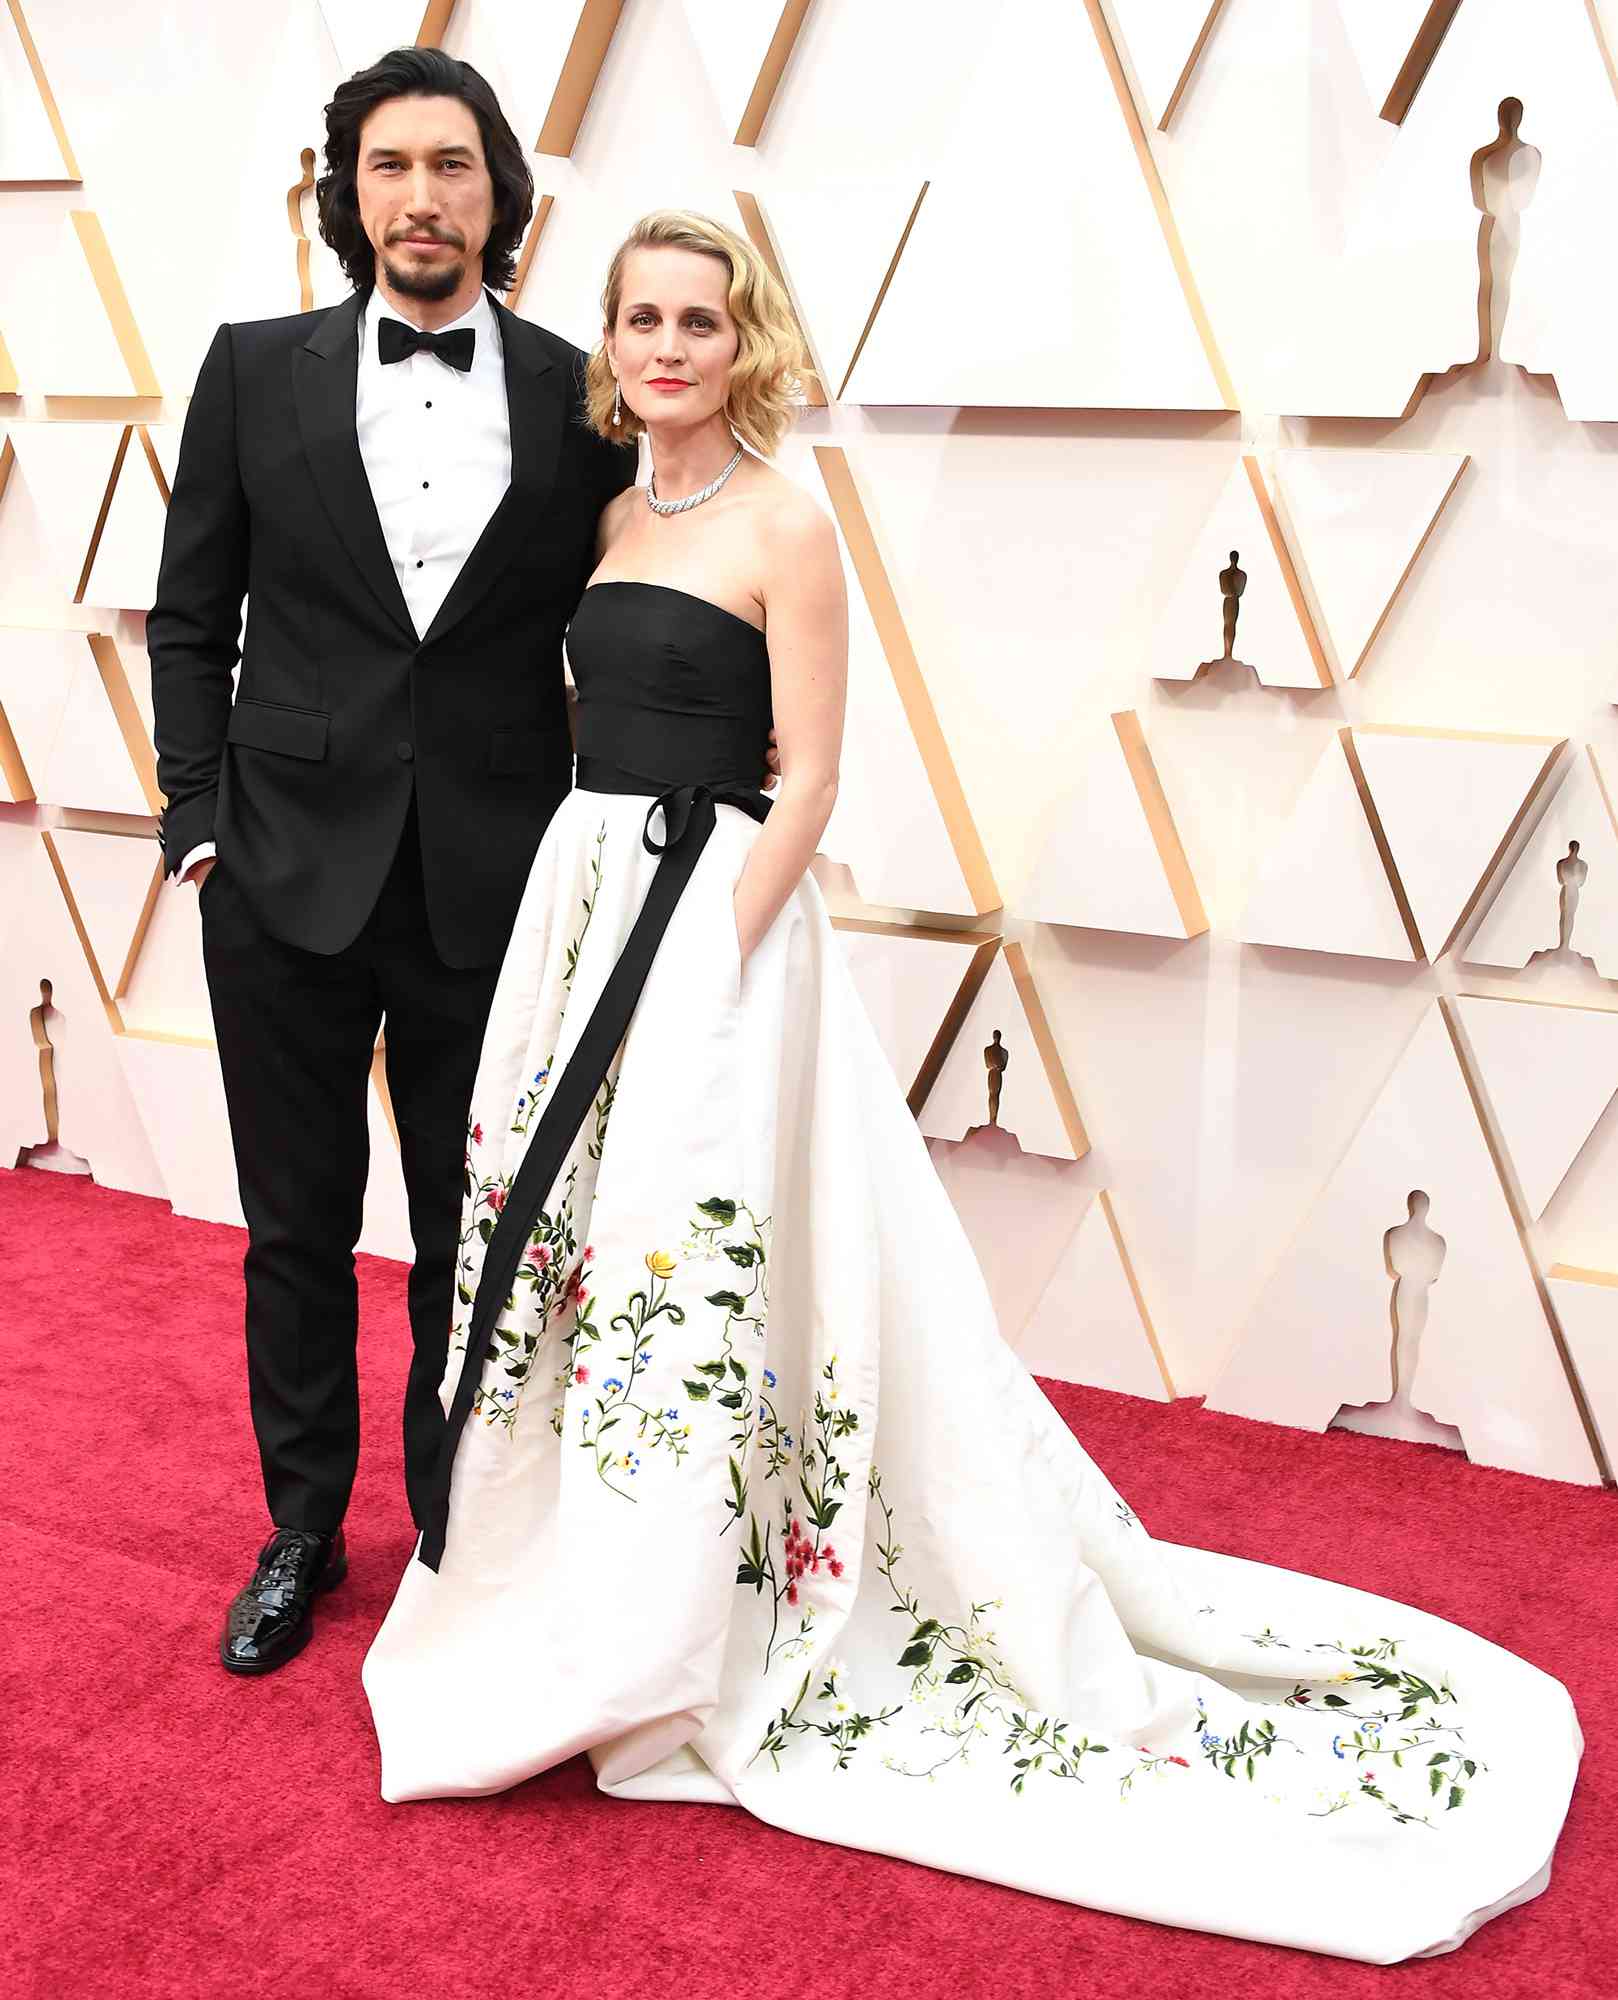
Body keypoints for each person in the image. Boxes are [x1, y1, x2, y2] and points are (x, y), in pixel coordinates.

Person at [362, 212, 1580, 1962]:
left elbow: (810, 783)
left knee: (707, 1258)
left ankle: (714, 1600)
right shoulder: (609, 518)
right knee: (589, 1266)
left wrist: (712, 963)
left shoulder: (789, 523)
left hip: (713, 935)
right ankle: (596, 1579)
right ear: (610, 345)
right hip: (583, 913)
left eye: (699, 320)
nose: (666, 347)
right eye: (638, 319)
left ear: (743, 341)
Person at [147, 48, 643, 1677]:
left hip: (491, 885)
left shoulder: (586, 398)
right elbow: (190, 613)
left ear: (502, 194)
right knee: (296, 1227)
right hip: (278, 873)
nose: (420, 196)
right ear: (345, 193)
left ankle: (454, 1530)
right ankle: (302, 1531)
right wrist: (196, 819)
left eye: (451, 165)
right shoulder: (253, 366)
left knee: (465, 1226)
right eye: (388, 166)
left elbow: (628, 622)